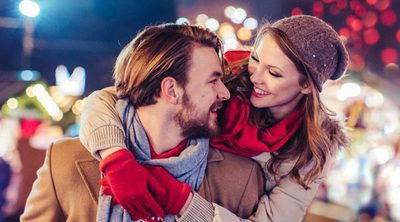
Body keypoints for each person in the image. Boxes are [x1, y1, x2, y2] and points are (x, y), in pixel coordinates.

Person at [76, 15, 349, 221]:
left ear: (305, 86)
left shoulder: (312, 151)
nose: (254, 77)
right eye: (255, 59)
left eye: (274, 73)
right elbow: (115, 97)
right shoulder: (227, 79)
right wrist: (116, 159)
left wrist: (184, 203)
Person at [21, 23, 265, 222]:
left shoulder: (241, 178)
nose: (225, 94)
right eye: (213, 81)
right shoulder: (63, 160)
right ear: (171, 89)